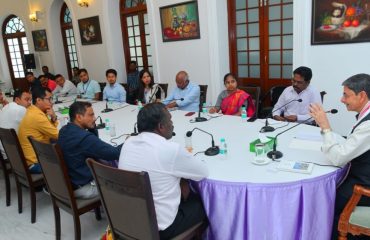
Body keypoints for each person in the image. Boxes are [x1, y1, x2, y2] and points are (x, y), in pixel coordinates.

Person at [119, 103, 208, 239]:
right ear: (161, 126)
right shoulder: (169, 149)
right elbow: (202, 172)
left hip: (131, 220)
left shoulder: (128, 143)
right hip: (160, 228)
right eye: (170, 120)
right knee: (206, 204)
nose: (172, 125)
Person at [310, 74, 370, 240]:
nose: (342, 100)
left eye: (346, 95)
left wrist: (325, 126)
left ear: (362, 95)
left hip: (364, 188)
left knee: (323, 197)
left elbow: (338, 157)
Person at [58, 101, 122, 199]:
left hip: (72, 182)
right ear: (79, 117)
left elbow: (94, 145)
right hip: (85, 187)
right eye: (91, 115)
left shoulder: (64, 130)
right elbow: (114, 153)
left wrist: (91, 128)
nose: (95, 118)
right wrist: (129, 142)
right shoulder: (84, 138)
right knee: (124, 182)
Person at [18, 87, 58, 174]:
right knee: (70, 157)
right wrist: (54, 117)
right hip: (35, 163)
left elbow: (51, 132)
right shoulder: (37, 117)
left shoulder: (33, 110)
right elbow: (57, 135)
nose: (52, 102)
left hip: (31, 158)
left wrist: (53, 118)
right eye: (49, 99)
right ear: (39, 100)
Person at [0, 89, 31, 159]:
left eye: (30, 100)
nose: (30, 103)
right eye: (27, 99)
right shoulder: (21, 109)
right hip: (16, 154)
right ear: (17, 99)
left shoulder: (5, 107)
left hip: (4, 149)